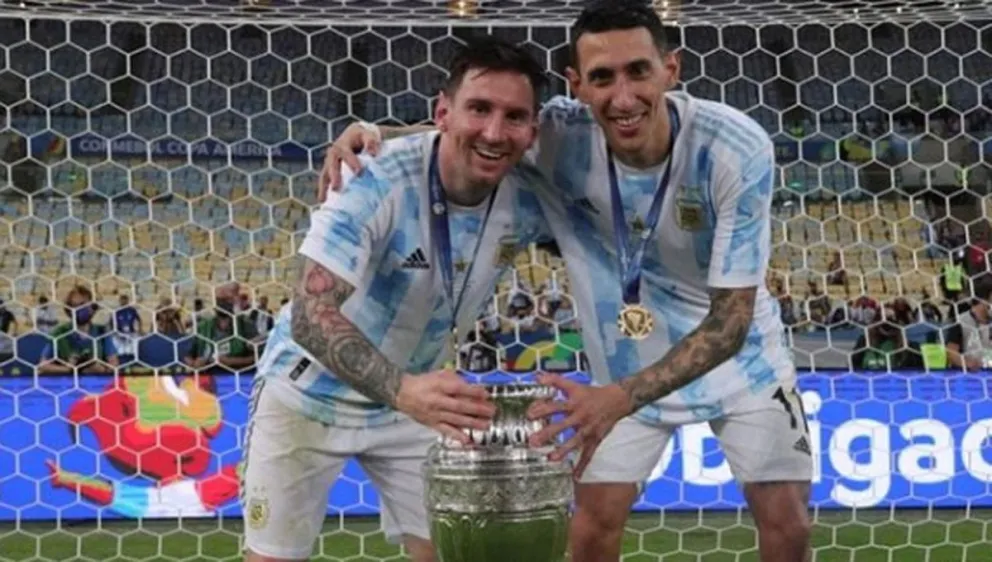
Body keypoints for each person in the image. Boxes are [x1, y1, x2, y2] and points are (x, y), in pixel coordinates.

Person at [320, 2, 812, 561]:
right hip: (621, 365)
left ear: (671, 69)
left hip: (737, 364)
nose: (622, 98)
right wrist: (373, 132)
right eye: (602, 77)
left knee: (788, 525)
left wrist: (617, 400)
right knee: (590, 528)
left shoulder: (735, 149)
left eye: (638, 71)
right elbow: (472, 124)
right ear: (577, 85)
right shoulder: (557, 136)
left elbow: (731, 321)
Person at [240, 37, 553, 562]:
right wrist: (404, 391)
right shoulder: (372, 179)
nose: (496, 132)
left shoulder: (529, 193)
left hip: (416, 402)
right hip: (309, 393)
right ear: (443, 112)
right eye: (478, 109)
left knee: (454, 552)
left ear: (533, 130)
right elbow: (312, 317)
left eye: (514, 116)